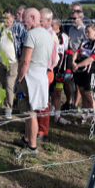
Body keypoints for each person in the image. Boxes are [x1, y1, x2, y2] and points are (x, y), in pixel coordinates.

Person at [14, 8, 54, 157]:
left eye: (25, 19)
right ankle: (26, 139)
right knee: (32, 112)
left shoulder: (31, 34)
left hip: (30, 77)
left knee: (30, 113)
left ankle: (32, 147)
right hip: (41, 75)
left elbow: (25, 60)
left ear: (32, 17)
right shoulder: (48, 35)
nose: (23, 23)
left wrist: (19, 78)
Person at [72, 24, 95, 130]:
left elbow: (92, 58)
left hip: (91, 72)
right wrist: (73, 61)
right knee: (82, 94)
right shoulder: (84, 41)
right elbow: (77, 52)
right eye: (85, 32)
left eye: (88, 32)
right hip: (79, 71)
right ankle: (84, 116)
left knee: (89, 95)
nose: (86, 34)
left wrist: (78, 65)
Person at [0, 9, 26, 119]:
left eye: (8, 18)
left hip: (12, 62)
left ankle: (9, 109)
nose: (6, 20)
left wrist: (22, 57)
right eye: (4, 18)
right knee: (4, 85)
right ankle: (4, 107)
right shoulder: (1, 28)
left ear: (13, 18)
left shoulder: (17, 28)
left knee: (9, 85)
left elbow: (23, 42)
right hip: (0, 62)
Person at [36, 8, 59, 141]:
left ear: (49, 20)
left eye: (41, 19)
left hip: (45, 72)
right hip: (38, 71)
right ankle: (34, 125)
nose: (38, 21)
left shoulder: (52, 37)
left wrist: (43, 70)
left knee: (43, 102)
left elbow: (53, 59)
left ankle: (43, 131)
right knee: (36, 100)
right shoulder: (40, 33)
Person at [63, 5, 87, 110]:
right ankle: (69, 102)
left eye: (74, 19)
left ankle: (75, 105)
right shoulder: (71, 29)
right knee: (66, 79)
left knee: (78, 83)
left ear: (81, 18)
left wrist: (76, 60)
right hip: (70, 56)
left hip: (80, 57)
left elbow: (86, 46)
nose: (72, 20)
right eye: (71, 18)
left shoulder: (85, 30)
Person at [51, 17, 72, 125]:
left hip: (60, 70)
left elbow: (69, 54)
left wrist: (68, 69)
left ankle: (57, 115)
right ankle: (49, 110)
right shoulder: (47, 34)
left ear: (58, 25)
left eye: (52, 23)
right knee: (48, 92)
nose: (50, 25)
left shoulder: (65, 37)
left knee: (58, 93)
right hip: (49, 70)